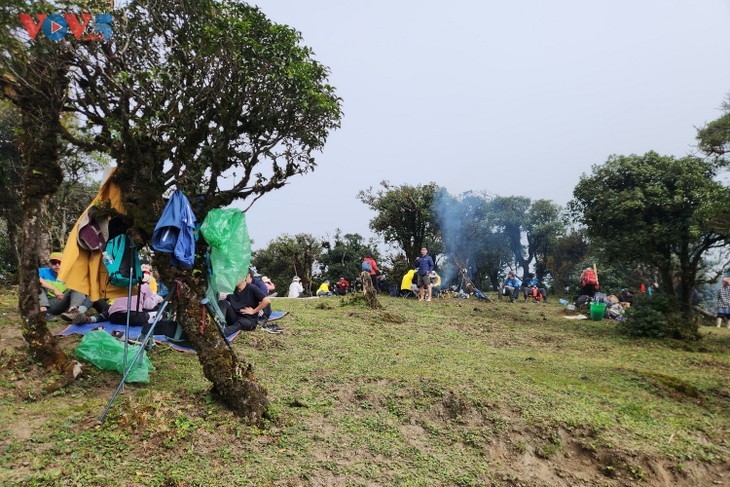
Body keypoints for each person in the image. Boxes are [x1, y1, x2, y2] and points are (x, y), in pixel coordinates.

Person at [219, 269, 282, 334]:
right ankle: (219, 324)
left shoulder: (252, 288)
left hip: (249, 320)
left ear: (244, 278)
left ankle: (222, 333)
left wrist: (253, 311)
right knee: (222, 302)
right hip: (236, 317)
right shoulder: (232, 290)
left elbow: (266, 300)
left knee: (241, 323)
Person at [38, 252, 91, 322]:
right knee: (36, 286)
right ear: (50, 263)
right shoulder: (42, 271)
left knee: (77, 288)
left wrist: (64, 296)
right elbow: (37, 279)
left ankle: (74, 312)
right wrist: (54, 289)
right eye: (54, 262)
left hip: (62, 302)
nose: (57, 265)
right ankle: (43, 313)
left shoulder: (69, 275)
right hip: (48, 303)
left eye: (60, 263)